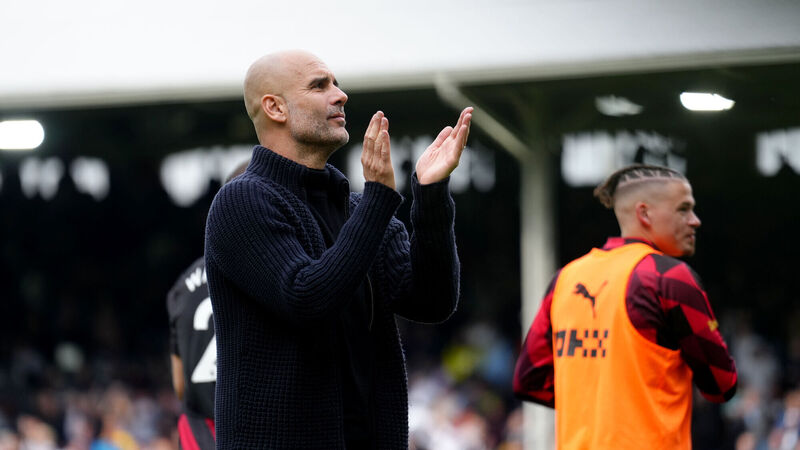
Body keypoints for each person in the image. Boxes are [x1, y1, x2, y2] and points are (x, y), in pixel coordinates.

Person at [204, 50, 472, 449]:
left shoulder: (359, 208)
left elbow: (432, 302)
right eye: (319, 86)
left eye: (336, 83)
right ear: (275, 108)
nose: (340, 95)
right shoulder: (241, 202)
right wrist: (379, 198)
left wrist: (430, 195)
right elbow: (307, 298)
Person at [513, 164, 738, 449]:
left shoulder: (565, 278)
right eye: (684, 209)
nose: (695, 221)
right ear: (644, 213)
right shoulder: (668, 277)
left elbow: (529, 380)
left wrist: (598, 403)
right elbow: (722, 384)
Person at [167, 162, 248, 450]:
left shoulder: (183, 284)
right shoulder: (265, 272)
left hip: (198, 434)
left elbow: (180, 386)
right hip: (249, 430)